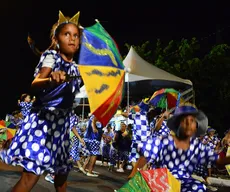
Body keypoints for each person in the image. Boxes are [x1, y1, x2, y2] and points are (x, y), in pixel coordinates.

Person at [0, 11, 82, 192]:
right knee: (30, 177)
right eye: (66, 34)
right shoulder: (51, 57)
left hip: (61, 126)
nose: (72, 38)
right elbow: (35, 84)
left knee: (61, 178)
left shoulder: (78, 68)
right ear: (57, 38)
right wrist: (51, 80)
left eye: (76, 35)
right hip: (43, 124)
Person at [129, 104, 230, 192]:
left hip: (184, 182)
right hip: (160, 180)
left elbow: (219, 160)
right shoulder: (162, 141)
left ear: (196, 126)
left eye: (192, 121)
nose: (188, 124)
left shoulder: (197, 146)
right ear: (177, 125)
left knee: (198, 187)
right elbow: (144, 158)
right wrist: (133, 180)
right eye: (184, 121)